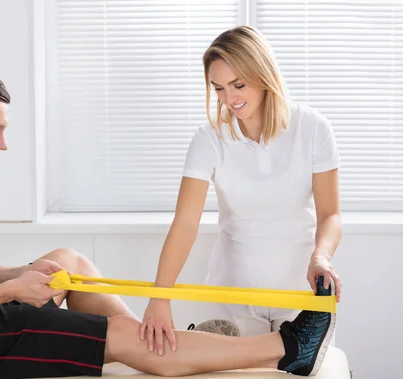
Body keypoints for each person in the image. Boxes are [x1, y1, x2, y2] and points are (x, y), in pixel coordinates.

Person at [0, 67, 336, 379]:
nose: (4, 144)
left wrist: (13, 275)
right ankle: (288, 347)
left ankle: (160, 345)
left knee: (68, 260)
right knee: (121, 338)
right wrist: (10, 292)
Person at [140, 25, 343, 354]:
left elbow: (330, 214)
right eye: (218, 88)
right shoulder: (208, 139)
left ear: (263, 74)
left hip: (298, 293)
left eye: (238, 85)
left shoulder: (313, 128)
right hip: (232, 295)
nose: (229, 98)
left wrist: (321, 257)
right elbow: (186, 221)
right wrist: (159, 297)